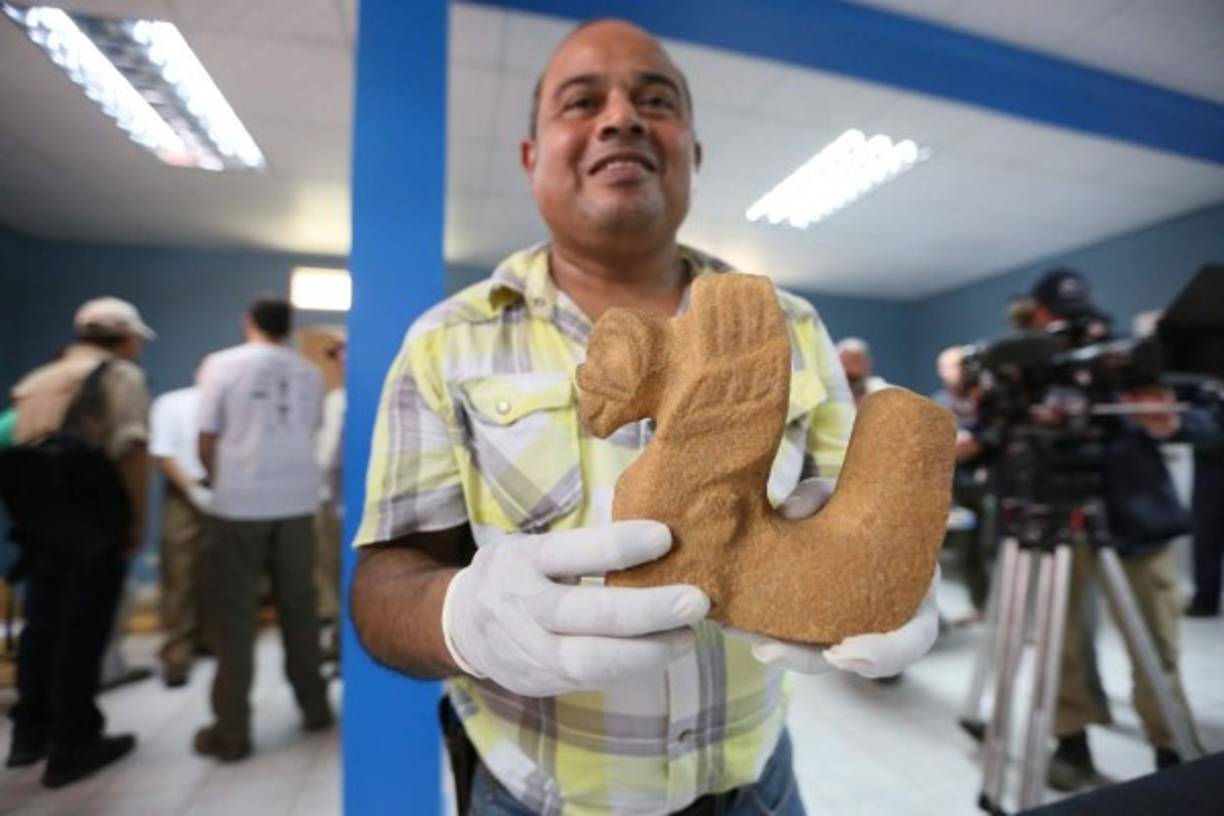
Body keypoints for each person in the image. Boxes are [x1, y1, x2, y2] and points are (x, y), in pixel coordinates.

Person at [350, 19, 939, 815]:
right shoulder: (445, 343)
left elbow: (852, 501)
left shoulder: (791, 324)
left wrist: (893, 577)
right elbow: (384, 583)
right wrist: (461, 618)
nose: (621, 117)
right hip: (536, 796)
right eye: (581, 101)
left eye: (654, 100)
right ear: (532, 159)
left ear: (691, 151)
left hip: (757, 786)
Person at [1020, 270, 1209, 790]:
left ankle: (1171, 745)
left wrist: (1168, 423)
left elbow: (1207, 419)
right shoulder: (1029, 366)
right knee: (1062, 642)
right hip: (1060, 517)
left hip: (1139, 521)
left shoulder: (1134, 357)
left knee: (1156, 644)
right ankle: (1072, 738)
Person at [4, 296, 152, 787]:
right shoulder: (121, 377)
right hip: (93, 521)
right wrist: (135, 522)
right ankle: (74, 742)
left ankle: (30, 733)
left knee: (41, 624)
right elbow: (131, 450)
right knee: (82, 630)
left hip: (40, 522)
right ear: (126, 338)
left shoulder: (38, 379)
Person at [193, 297, 332, 761]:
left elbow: (207, 435)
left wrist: (217, 479)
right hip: (296, 499)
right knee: (300, 606)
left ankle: (231, 731)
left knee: (234, 617)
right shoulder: (309, 372)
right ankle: (315, 708)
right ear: (289, 328)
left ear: (247, 322)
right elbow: (310, 429)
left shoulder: (221, 364)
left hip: (240, 501)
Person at [149, 359, 213, 687]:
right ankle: (177, 652)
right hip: (184, 493)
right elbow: (163, 452)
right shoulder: (173, 403)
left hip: (225, 491)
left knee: (218, 572)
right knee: (180, 574)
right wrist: (192, 490)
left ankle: (208, 638)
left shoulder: (229, 402)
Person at [933, 345, 992, 616]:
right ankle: (974, 607)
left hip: (987, 489)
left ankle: (993, 607)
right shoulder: (939, 404)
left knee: (986, 550)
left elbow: (985, 441)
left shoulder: (989, 401)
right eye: (949, 368)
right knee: (961, 552)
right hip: (951, 488)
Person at [314, 334, 346, 662]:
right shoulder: (332, 400)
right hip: (331, 502)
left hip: (360, 503)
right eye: (336, 354)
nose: (342, 360)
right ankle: (339, 639)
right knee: (332, 574)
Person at [836, 337, 888, 406]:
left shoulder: (882, 392)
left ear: (867, 364)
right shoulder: (825, 396)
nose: (851, 369)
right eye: (845, 362)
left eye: (856, 362)